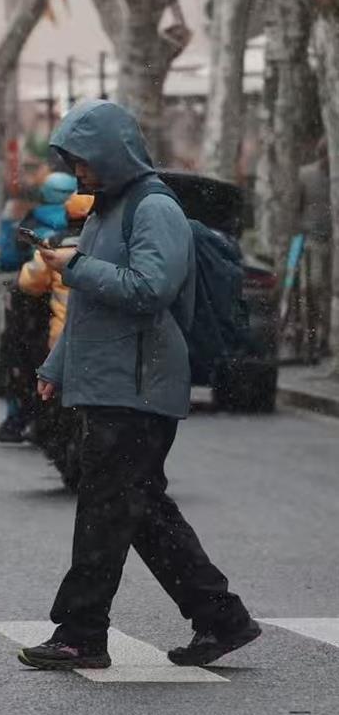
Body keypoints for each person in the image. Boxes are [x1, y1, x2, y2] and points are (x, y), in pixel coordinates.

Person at [17, 100, 261, 670]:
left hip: (140, 385)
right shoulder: (107, 210)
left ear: (112, 153)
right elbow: (90, 311)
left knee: (105, 513)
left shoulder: (154, 208)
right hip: (113, 383)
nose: (78, 171)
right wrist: (56, 368)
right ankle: (221, 617)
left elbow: (151, 288)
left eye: (84, 159)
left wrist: (74, 267)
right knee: (142, 511)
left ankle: (82, 634)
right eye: (72, 162)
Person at [0, 172, 77, 444]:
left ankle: (16, 420)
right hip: (83, 314)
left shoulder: (33, 225)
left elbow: (9, 262)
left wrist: (7, 224)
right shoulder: (96, 227)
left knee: (17, 358)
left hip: (35, 310)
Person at [17, 190, 94, 488]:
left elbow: (29, 282)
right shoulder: (107, 244)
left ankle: (40, 426)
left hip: (60, 339)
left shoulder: (53, 245)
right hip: (103, 341)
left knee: (46, 393)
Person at [298, 138, 332, 360]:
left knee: (324, 294)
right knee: (310, 290)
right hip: (310, 241)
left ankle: (322, 340)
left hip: (330, 243)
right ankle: (309, 340)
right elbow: (297, 207)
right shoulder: (305, 175)